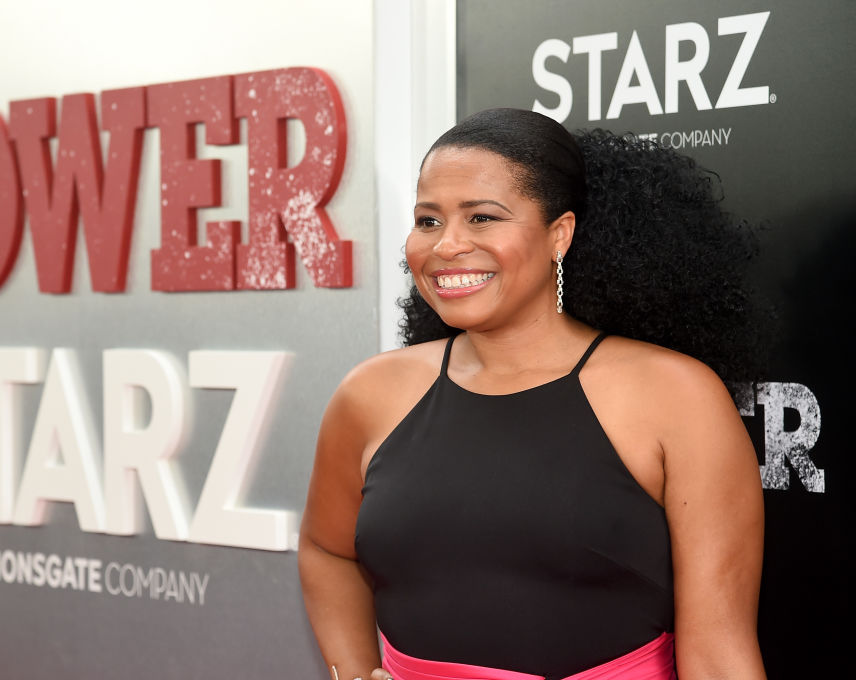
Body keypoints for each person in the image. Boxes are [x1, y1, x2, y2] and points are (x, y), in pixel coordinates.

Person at [298, 108, 767, 680]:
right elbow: (327, 550)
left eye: (483, 218)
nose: (447, 245)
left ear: (559, 234)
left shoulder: (675, 396)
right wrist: (352, 671)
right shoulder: (371, 392)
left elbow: (720, 655)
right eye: (427, 220)